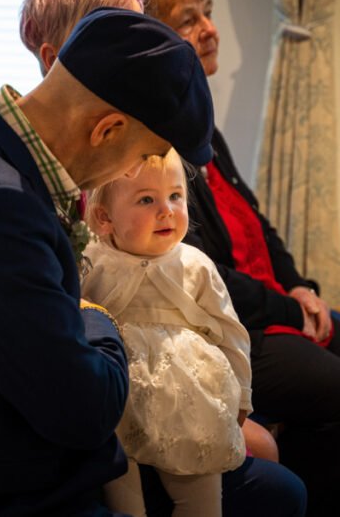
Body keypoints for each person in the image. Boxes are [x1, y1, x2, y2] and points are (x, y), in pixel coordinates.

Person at [0, 7, 216, 515]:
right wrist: (100, 318)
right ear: (107, 129)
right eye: (141, 157)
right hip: (3, 494)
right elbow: (83, 411)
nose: (129, 172)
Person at [120, 0, 340, 517]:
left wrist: (300, 286)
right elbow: (201, 273)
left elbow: (255, 221)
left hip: (263, 303)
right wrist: (287, 309)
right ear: (154, 41)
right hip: (219, 326)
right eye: (188, 20)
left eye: (207, 12)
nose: (209, 30)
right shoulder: (150, 142)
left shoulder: (200, 122)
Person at [20, 0, 303, 516]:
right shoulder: (48, 192)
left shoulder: (160, 185)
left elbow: (223, 309)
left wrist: (236, 395)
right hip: (104, 403)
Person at [83, 149, 251, 517]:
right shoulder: (92, 262)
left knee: (201, 499)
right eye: (146, 200)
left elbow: (231, 332)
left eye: (176, 196)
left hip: (190, 400)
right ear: (103, 217)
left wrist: (243, 396)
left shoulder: (195, 265)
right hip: (120, 400)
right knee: (122, 492)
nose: (167, 210)